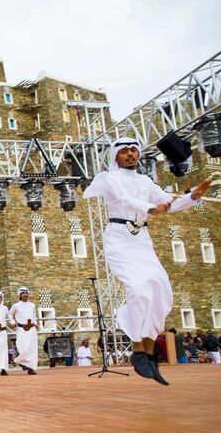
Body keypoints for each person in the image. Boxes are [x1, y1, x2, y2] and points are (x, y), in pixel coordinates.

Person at [83, 136, 211, 385]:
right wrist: (150, 209)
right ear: (116, 156)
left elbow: (166, 202)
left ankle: (149, 350)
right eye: (125, 151)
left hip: (142, 239)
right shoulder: (110, 178)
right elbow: (124, 200)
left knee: (161, 289)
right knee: (139, 288)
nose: (130, 154)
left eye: (134, 150)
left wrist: (192, 197)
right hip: (119, 237)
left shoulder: (145, 181)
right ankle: (138, 349)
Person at [8, 286, 39, 375]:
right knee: (23, 347)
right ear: (20, 295)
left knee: (32, 348)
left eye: (26, 293)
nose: (25, 295)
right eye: (23, 293)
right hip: (21, 329)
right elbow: (10, 314)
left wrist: (36, 324)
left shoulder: (32, 305)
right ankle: (22, 361)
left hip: (32, 329)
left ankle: (31, 368)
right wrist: (12, 322)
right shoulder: (16, 305)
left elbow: (33, 316)